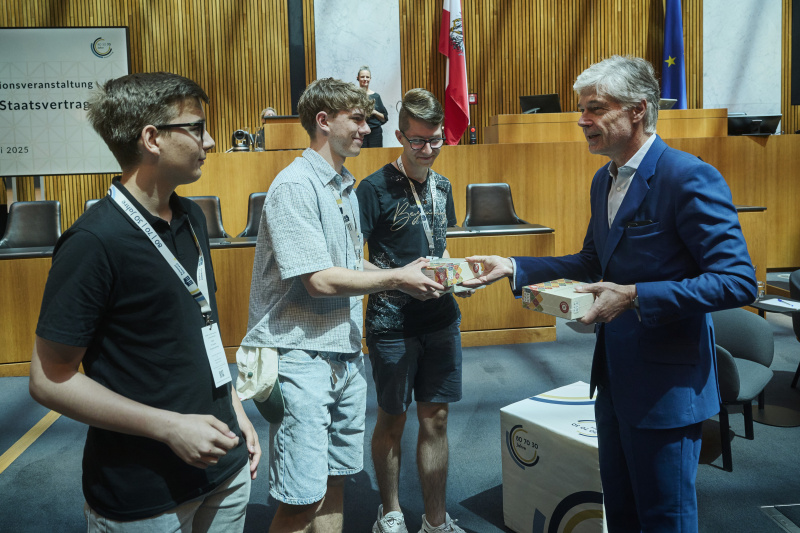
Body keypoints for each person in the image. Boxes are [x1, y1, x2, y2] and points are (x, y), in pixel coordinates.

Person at [464, 56, 756, 532]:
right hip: (614, 382)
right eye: (583, 108)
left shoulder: (688, 177)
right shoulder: (605, 178)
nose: (582, 120)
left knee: (665, 520)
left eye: (595, 108)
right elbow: (590, 264)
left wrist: (637, 295)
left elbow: (738, 280)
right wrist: (512, 266)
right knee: (618, 514)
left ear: (638, 110)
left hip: (668, 389)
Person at [29, 72, 260, 531]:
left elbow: (202, 326)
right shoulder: (93, 242)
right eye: (196, 127)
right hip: (144, 495)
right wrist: (170, 427)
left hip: (225, 471)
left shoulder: (191, 215)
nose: (210, 141)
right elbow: (48, 379)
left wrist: (233, 407)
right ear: (152, 138)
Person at [242, 77, 444, 533]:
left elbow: (353, 265)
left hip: (345, 354)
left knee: (336, 483)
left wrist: (414, 276)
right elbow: (318, 281)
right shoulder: (294, 186)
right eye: (356, 119)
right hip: (301, 359)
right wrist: (396, 277)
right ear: (322, 121)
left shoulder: (343, 187)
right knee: (300, 500)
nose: (365, 130)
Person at [356, 88, 468, 533]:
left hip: (441, 319)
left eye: (436, 140)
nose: (428, 150)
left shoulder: (443, 186)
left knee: (436, 419)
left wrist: (457, 276)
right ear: (400, 136)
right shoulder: (373, 188)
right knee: (392, 419)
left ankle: (436, 521)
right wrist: (398, 277)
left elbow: (438, 250)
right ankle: (391, 513)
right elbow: (347, 260)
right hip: (390, 325)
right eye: (418, 141)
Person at [357, 66, 389, 147]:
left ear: (370, 78)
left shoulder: (376, 96)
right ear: (358, 78)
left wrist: (374, 112)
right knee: (360, 157)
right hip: (358, 132)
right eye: (362, 77)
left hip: (375, 133)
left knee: (376, 156)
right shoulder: (353, 95)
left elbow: (384, 118)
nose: (365, 79)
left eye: (367, 77)